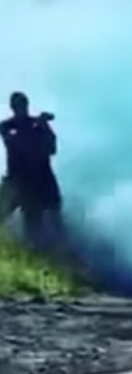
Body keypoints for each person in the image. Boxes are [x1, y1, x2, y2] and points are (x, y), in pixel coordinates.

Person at [0, 92, 62, 253]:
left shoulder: (39, 127)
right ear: (13, 108)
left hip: (38, 183)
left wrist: (43, 125)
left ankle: (54, 250)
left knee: (38, 227)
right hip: (16, 181)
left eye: (23, 106)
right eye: (17, 106)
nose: (21, 109)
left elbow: (52, 148)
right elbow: (13, 140)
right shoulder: (9, 127)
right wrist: (36, 124)